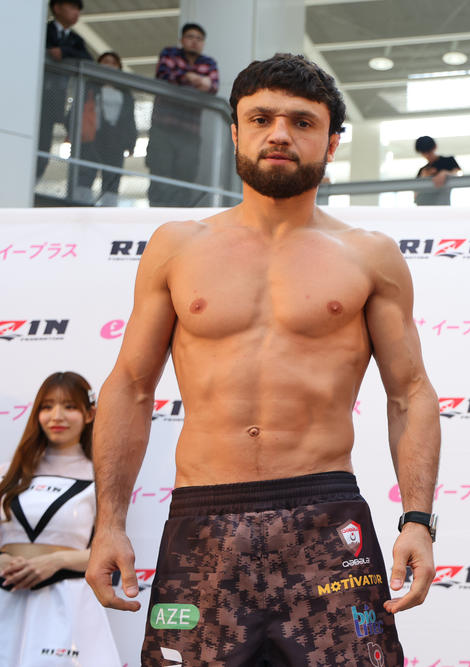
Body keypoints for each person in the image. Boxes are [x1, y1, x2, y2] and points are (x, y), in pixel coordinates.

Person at [85, 54, 441, 666]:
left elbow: (409, 393)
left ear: (332, 142)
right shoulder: (177, 247)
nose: (279, 134)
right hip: (204, 519)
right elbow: (132, 386)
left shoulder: (369, 256)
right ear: (235, 132)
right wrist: (108, 523)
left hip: (325, 518)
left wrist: (418, 521)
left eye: (302, 122)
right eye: (261, 119)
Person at [0, 372, 122, 666]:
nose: (57, 416)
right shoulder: (7, 473)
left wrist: (56, 561)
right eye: (47, 406)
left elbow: (112, 554)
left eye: (69, 406)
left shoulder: (103, 476)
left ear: (89, 414)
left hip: (67, 604)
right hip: (6, 599)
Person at [146, 22, 219, 207]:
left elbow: (213, 87)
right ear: (182, 39)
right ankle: (157, 211)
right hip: (163, 127)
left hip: (190, 132)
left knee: (186, 175)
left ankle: (181, 213)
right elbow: (164, 75)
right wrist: (191, 78)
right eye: (190, 37)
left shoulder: (209, 62)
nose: (194, 41)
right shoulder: (169, 53)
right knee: (160, 171)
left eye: (199, 38)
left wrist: (185, 78)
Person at [38, 0, 92, 181]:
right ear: (57, 8)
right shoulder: (43, 30)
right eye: (72, 7)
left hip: (55, 100)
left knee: (43, 146)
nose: (76, 12)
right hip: (36, 95)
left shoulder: (76, 40)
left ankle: (35, 175)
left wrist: (64, 51)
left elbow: (88, 59)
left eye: (78, 9)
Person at [76, 51, 139, 206]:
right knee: (86, 172)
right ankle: (80, 206)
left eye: (113, 63)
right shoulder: (89, 86)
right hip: (92, 136)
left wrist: (131, 142)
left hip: (115, 139)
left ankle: (108, 208)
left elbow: (129, 118)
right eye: (105, 62)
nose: (109, 65)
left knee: (112, 177)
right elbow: (77, 110)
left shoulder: (125, 93)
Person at [414, 135, 460, 206]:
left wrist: (446, 173)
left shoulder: (448, 161)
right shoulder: (423, 170)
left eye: (428, 151)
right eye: (423, 153)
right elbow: (415, 195)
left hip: (442, 205)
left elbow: (459, 175)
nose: (427, 155)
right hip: (424, 206)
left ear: (435, 147)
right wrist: (424, 178)